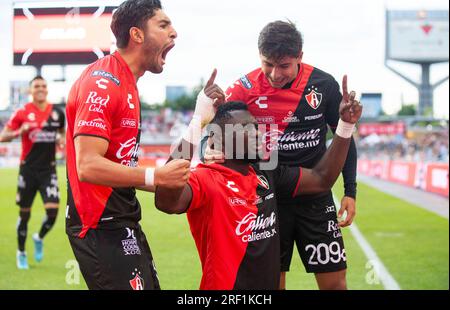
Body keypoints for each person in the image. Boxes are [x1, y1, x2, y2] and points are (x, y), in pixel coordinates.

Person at [155, 73, 362, 289]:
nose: (255, 133)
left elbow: (322, 178)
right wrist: (197, 122)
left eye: (254, 126)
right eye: (244, 128)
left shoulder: (267, 174)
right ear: (218, 138)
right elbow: (166, 200)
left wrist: (345, 126)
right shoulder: (207, 178)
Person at [204, 21, 358, 290]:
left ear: (300, 56)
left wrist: (350, 190)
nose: (275, 74)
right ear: (259, 56)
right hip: (267, 197)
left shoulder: (323, 84)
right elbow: (218, 128)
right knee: (273, 284)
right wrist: (209, 144)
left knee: (335, 284)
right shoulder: (243, 88)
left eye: (284, 65)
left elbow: (345, 136)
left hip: (315, 192)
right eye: (267, 64)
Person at [65, 0, 190, 290]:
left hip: (122, 221)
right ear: (137, 35)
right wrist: (155, 176)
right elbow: (88, 166)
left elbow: (122, 167)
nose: (174, 33)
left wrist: (180, 180)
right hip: (100, 224)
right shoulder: (103, 81)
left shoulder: (127, 83)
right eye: (163, 24)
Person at [0, 76, 65, 269]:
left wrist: (60, 139)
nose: (41, 89)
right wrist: (19, 131)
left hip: (49, 170)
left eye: (44, 86)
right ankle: (21, 252)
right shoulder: (22, 112)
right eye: (37, 86)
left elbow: (61, 131)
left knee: (53, 213)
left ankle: (38, 237)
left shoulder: (57, 112)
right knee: (25, 214)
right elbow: (3, 137)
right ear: (30, 91)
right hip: (27, 170)